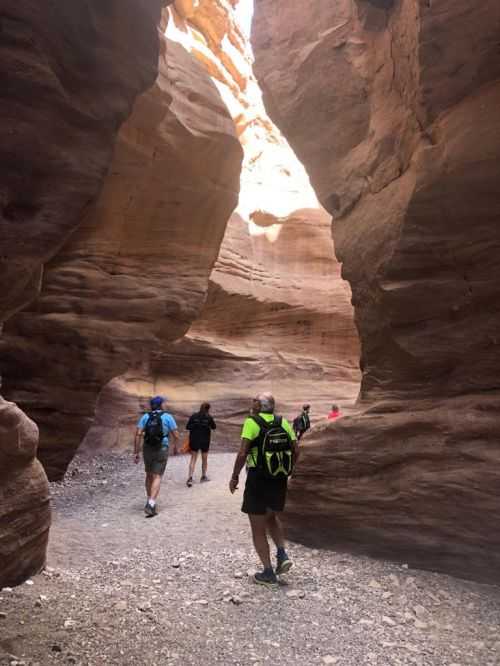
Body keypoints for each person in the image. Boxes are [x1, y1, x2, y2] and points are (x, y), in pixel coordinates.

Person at [229, 392, 298, 587]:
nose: (252, 404)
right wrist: (288, 470)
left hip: (258, 480)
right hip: (279, 478)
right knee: (271, 517)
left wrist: (234, 476)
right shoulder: (283, 422)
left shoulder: (252, 422)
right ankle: (282, 554)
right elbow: (296, 449)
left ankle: (268, 573)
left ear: (259, 405)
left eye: (254, 401)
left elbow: (243, 452)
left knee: (257, 527)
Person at [134, 395, 179, 517]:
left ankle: (149, 500)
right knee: (157, 475)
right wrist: (175, 447)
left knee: (149, 474)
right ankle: (151, 503)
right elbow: (176, 434)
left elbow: (138, 434)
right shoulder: (167, 417)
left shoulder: (145, 417)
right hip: (162, 447)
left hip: (147, 448)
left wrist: (136, 452)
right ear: (161, 405)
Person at [185, 402, 216, 487]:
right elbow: (214, 427)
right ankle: (203, 476)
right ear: (208, 409)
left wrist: (195, 425)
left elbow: (187, 427)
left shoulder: (194, 416)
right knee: (204, 459)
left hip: (194, 440)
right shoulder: (209, 417)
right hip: (205, 440)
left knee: (193, 458)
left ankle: (190, 478)